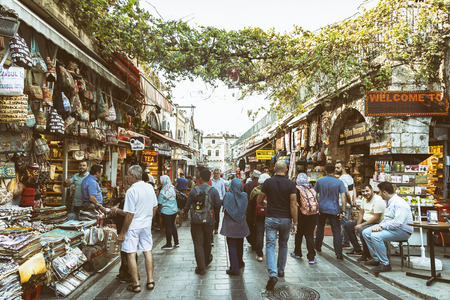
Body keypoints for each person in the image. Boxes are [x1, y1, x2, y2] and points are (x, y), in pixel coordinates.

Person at [257, 161, 298, 291]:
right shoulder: (291, 184)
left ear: (274, 169)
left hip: (271, 218)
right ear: (286, 170)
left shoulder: (268, 182)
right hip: (286, 219)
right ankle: (281, 270)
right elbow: (293, 204)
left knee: (270, 245)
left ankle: (273, 274)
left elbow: (259, 199)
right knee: (283, 244)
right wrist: (295, 222)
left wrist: (265, 205)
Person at [117, 165, 158, 293]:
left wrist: (122, 233)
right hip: (146, 225)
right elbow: (155, 207)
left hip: (134, 226)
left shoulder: (131, 191)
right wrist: (149, 219)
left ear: (133, 176)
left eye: (128, 175)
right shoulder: (149, 187)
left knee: (131, 253)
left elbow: (130, 214)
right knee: (147, 251)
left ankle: (136, 284)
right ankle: (150, 281)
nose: (127, 177)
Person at [362, 182, 413, 273]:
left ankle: (385, 264)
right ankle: (376, 258)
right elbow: (388, 219)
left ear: (385, 192)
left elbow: (398, 222)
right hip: (392, 228)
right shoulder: (389, 202)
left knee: (376, 236)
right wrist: (379, 225)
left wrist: (381, 226)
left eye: (380, 192)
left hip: (403, 231)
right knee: (366, 232)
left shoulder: (399, 203)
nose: (379, 194)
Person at [185, 169, 221, 275]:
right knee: (207, 242)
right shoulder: (213, 191)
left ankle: (201, 268)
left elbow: (187, 206)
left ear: (200, 178)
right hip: (209, 221)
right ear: (209, 178)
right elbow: (218, 206)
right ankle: (206, 260)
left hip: (196, 222)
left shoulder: (193, 191)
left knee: (198, 243)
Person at [314, 164, 347, 260]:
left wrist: (317, 203)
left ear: (325, 171)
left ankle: (318, 246)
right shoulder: (339, 182)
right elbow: (343, 196)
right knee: (336, 230)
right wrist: (343, 210)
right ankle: (338, 253)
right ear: (334, 171)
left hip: (322, 208)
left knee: (320, 227)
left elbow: (315, 193)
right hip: (334, 209)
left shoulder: (320, 181)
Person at [344, 184, 385, 261]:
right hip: (365, 221)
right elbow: (361, 213)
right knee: (348, 226)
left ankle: (366, 253)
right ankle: (357, 249)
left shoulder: (378, 200)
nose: (365, 193)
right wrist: (358, 224)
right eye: (363, 192)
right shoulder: (364, 199)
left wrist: (361, 226)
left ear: (372, 190)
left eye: (367, 191)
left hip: (375, 223)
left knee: (362, 230)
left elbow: (377, 218)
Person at [111, 175, 138, 283]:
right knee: (125, 251)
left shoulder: (130, 195)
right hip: (124, 226)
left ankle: (129, 275)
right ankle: (124, 272)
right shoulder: (128, 196)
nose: (124, 188)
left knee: (128, 252)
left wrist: (117, 210)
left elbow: (128, 213)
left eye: (126, 185)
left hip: (126, 227)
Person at [220, 178, 250, 275]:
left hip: (230, 226)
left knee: (232, 245)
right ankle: (240, 263)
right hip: (241, 225)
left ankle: (234, 268)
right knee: (240, 244)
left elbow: (223, 205)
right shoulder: (245, 196)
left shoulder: (228, 196)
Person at [291, 173, 319, 264]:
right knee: (309, 235)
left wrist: (294, 219)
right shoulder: (311, 189)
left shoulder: (296, 189)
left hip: (301, 215)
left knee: (299, 234)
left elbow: (294, 203)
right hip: (313, 214)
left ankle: (298, 253)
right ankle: (311, 257)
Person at [250, 173, 270, 262]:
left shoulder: (255, 191)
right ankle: (270, 253)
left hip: (258, 216)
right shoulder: (272, 191)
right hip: (270, 215)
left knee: (259, 234)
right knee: (270, 235)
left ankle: (259, 255)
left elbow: (250, 205)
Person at [335, 161, 356, 248]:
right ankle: (346, 240)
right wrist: (353, 200)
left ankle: (346, 241)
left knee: (344, 223)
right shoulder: (350, 177)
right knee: (346, 222)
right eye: (335, 167)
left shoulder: (342, 179)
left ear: (343, 168)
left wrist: (351, 202)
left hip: (343, 204)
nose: (336, 169)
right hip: (348, 203)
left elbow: (346, 193)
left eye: (338, 168)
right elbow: (354, 189)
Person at [158, 175, 179, 250]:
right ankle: (176, 242)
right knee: (173, 225)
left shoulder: (162, 191)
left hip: (166, 211)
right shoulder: (172, 188)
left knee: (168, 227)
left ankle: (169, 243)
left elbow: (159, 202)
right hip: (174, 210)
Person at [244, 170, 261, 251]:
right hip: (259, 211)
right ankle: (257, 244)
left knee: (250, 227)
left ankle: (252, 242)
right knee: (258, 229)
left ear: (252, 176)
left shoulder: (247, 185)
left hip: (249, 211)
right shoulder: (261, 186)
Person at [211, 169, 226, 235]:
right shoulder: (210, 180)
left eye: (217, 173)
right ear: (213, 173)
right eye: (215, 173)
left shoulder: (221, 181)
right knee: (211, 214)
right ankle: (211, 227)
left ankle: (216, 228)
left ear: (219, 174)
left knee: (217, 214)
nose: (216, 174)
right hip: (211, 199)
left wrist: (223, 200)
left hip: (218, 200)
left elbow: (223, 191)